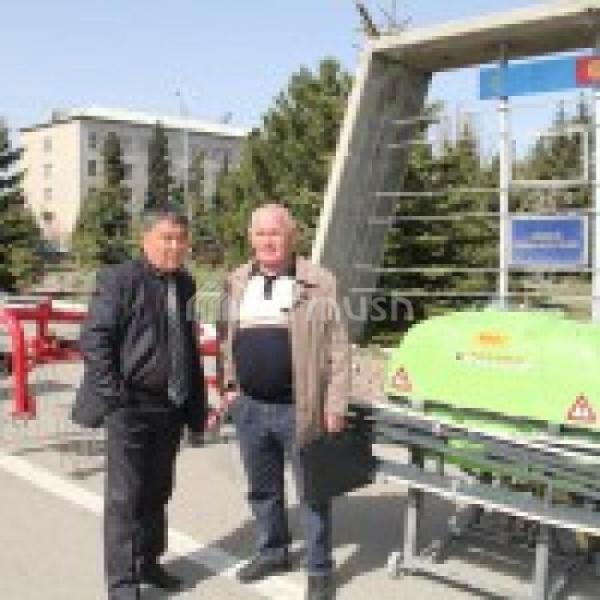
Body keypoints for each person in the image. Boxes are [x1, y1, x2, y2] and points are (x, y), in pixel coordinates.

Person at [72, 205, 208, 600]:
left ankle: (148, 561)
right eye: (167, 238)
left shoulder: (185, 284)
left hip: (170, 405)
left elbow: (188, 347)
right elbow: (95, 339)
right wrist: (115, 395)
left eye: (181, 239)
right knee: (125, 497)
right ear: (145, 239)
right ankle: (122, 585)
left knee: (157, 491)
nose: (175, 246)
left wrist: (195, 407)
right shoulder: (119, 279)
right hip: (130, 404)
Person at [215, 203, 350, 600]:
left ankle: (319, 568)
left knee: (313, 492)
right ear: (251, 238)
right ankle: (273, 552)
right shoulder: (236, 281)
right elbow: (227, 339)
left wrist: (335, 406)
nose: (268, 240)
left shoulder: (319, 282)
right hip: (250, 407)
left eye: (275, 232)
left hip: (301, 410)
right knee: (262, 490)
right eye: (260, 233)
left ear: (292, 236)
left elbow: (338, 349)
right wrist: (230, 388)